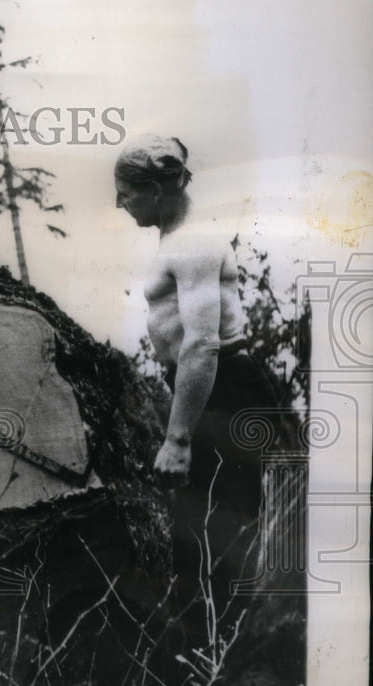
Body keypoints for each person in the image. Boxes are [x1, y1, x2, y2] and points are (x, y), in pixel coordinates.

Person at [113, 135, 285, 643]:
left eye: (125, 192)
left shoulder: (192, 244)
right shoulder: (178, 240)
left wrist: (179, 438)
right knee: (198, 528)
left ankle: (222, 656)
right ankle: (206, 647)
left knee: (219, 528)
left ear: (155, 191)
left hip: (224, 389)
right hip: (209, 388)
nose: (120, 203)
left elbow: (203, 346)